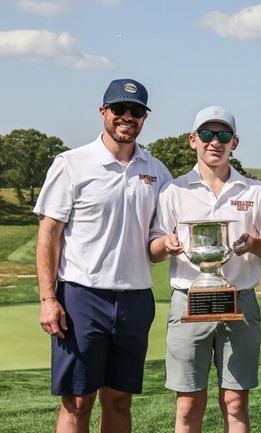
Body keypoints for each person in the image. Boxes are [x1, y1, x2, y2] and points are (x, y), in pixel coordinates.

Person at [34, 78, 171, 433]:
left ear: (144, 118)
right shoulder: (71, 163)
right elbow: (49, 233)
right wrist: (48, 297)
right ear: (103, 112)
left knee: (119, 400)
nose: (127, 117)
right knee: (77, 401)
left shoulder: (156, 171)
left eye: (136, 111)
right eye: (119, 110)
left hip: (136, 299)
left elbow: (160, 240)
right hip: (82, 296)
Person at [148, 106, 261, 433]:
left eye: (223, 135)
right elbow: (153, 251)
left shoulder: (255, 192)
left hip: (240, 300)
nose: (215, 142)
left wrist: (252, 243)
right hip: (188, 300)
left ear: (234, 142)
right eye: (207, 135)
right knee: (188, 405)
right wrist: (165, 244)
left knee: (236, 402)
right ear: (193, 140)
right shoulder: (173, 190)